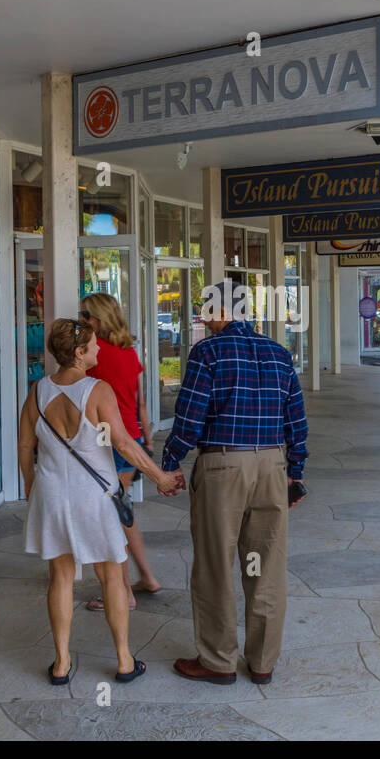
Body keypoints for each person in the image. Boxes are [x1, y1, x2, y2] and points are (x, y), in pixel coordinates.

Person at [161, 281, 308, 686]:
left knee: (213, 567)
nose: (202, 317)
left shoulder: (207, 352)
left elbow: (189, 418)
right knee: (267, 568)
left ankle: (218, 661)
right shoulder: (280, 354)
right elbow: (296, 420)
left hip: (223, 467)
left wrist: (170, 463)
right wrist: (295, 470)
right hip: (272, 466)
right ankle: (262, 662)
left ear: (219, 311)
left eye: (205, 308)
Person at [20, 318, 180, 685]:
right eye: (93, 346)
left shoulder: (37, 391)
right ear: (78, 354)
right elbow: (122, 443)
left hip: (51, 493)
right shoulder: (98, 390)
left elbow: (25, 445)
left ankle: (61, 664)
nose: (99, 349)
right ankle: (124, 660)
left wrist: (31, 487)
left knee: (60, 577)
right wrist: (161, 477)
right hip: (93, 496)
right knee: (111, 576)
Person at [78, 292, 163, 612]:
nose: (81, 321)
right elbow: (140, 403)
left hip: (107, 444)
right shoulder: (129, 353)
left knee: (111, 520)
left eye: (85, 315)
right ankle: (147, 577)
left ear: (99, 319)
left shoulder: (95, 357)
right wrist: (147, 442)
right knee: (123, 515)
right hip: (132, 441)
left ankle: (123, 592)